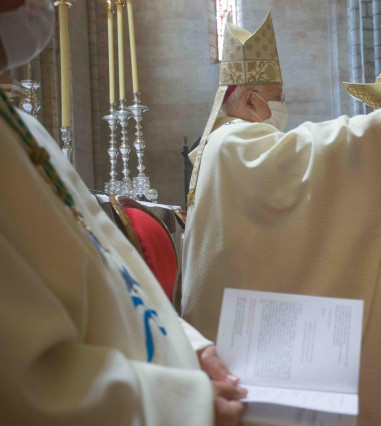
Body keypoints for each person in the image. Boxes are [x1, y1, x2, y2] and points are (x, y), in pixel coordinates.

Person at [181, 13, 381, 425]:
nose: (280, 104)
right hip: (240, 335)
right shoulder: (233, 140)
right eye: (277, 94)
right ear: (249, 98)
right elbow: (305, 155)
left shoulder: (226, 144)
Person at [0, 1, 244, 423]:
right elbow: (24, 385)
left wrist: (188, 343)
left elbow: (109, 266)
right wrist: (180, 402)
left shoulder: (23, 127)